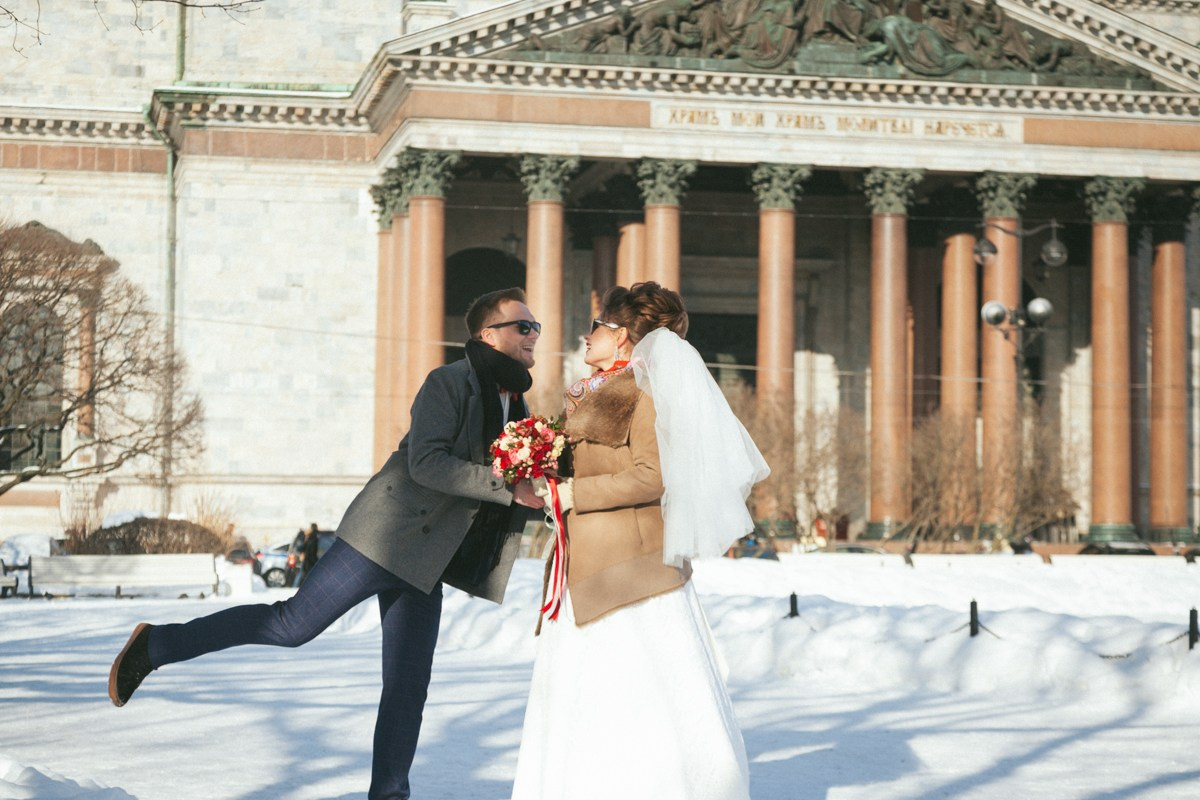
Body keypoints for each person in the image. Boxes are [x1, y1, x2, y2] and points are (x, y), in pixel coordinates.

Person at [108, 287, 546, 800]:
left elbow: (513, 480)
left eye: (535, 327)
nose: (534, 335)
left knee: (408, 687)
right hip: (384, 537)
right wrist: (503, 484)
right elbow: (427, 462)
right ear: (487, 335)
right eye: (524, 326)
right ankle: (156, 644)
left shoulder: (514, 402)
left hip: (427, 561)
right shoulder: (448, 382)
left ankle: (389, 795)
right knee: (291, 625)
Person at [512, 282, 769, 800]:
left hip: (632, 572)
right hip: (584, 568)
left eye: (596, 327)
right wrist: (538, 468)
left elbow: (654, 476)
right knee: (588, 697)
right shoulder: (593, 392)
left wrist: (571, 493)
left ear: (623, 335)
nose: (585, 336)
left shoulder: (647, 393)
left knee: (641, 695)